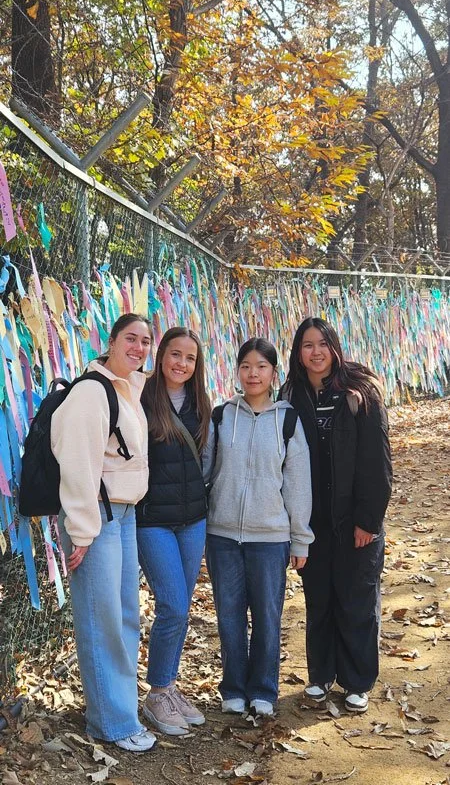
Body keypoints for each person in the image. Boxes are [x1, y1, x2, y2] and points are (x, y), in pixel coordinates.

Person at [52, 313, 157, 751]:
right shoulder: (91, 393)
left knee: (125, 617)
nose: (138, 347)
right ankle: (112, 724)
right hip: (96, 517)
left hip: (124, 514)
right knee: (102, 622)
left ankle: (116, 710)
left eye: (145, 340)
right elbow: (76, 462)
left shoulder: (128, 389)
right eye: (130, 338)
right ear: (110, 341)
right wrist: (81, 531)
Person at [280, 317, 392, 714]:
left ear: (334, 347)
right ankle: (320, 675)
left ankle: (357, 680)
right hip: (312, 519)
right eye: (307, 345)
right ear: (298, 352)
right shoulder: (291, 395)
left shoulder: (360, 391)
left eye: (322, 343)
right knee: (320, 598)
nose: (315, 352)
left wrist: (369, 520)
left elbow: (377, 462)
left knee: (356, 599)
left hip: (354, 519)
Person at [204, 338, 313, 717]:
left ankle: (263, 690)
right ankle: (233, 687)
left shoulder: (288, 420)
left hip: (270, 538)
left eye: (261, 366)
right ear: (237, 371)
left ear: (272, 373)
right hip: (222, 536)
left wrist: (300, 539)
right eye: (246, 366)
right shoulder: (220, 417)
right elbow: (206, 473)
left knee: (267, 616)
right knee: (229, 616)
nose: (253, 373)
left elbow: (298, 485)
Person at [136, 327, 211, 736]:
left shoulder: (201, 403)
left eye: (190, 358)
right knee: (173, 606)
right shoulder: (140, 397)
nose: (182, 364)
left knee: (181, 609)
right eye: (175, 354)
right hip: (154, 522)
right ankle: (157, 692)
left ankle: (168, 686)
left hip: (193, 520)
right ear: (161, 354)